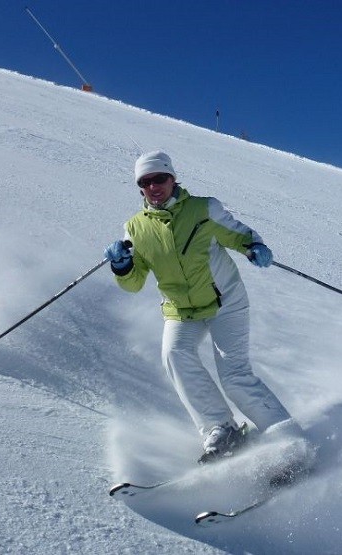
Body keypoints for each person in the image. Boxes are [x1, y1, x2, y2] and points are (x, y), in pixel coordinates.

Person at [105, 150, 297, 463]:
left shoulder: (203, 209)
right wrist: (123, 266)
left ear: (172, 178)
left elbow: (238, 234)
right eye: (146, 181)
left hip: (225, 303)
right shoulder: (135, 230)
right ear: (139, 187)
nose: (154, 186)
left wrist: (254, 247)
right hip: (181, 310)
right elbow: (134, 282)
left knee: (234, 376)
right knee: (174, 355)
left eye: (160, 178)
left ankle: (288, 440)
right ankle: (221, 428)